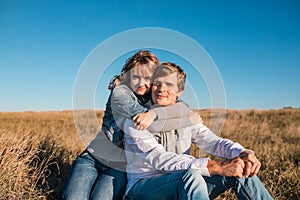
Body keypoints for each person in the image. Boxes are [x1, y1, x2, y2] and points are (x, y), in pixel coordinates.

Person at [122, 62, 273, 200]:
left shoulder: (187, 118)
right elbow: (160, 159)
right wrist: (216, 167)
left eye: (169, 84)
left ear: (179, 91)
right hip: (143, 189)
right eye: (157, 84)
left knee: (241, 168)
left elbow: (213, 142)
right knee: (191, 175)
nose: (161, 89)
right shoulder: (136, 119)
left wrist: (242, 153)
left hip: (184, 185)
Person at [62, 51, 200, 200]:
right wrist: (186, 120)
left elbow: (181, 105)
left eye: (147, 78)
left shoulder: (153, 97)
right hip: (92, 159)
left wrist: (180, 112)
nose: (141, 83)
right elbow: (153, 123)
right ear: (128, 76)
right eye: (136, 77)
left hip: (119, 168)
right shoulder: (120, 93)